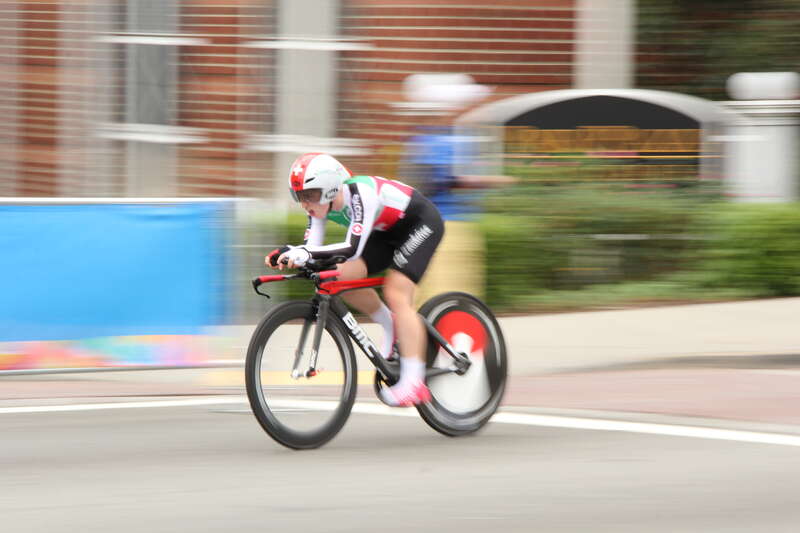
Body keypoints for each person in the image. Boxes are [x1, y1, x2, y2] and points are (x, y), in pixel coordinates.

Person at [265, 152, 444, 407]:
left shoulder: (360, 193)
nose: (304, 203)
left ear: (329, 188)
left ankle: (414, 383)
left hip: (420, 224)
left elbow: (351, 248)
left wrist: (304, 253)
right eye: (299, 196)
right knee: (336, 277)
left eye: (309, 195)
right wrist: (290, 253)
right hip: (385, 232)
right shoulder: (319, 208)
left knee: (396, 293)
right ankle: (391, 324)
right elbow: (312, 249)